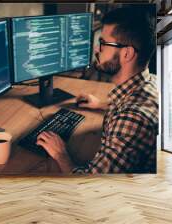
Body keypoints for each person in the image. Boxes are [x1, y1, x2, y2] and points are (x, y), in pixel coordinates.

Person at [36, 6, 159, 174]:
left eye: (102, 43)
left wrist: (61, 154)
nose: (96, 49)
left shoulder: (131, 120)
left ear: (127, 53)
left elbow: (90, 185)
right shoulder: (151, 81)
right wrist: (101, 105)